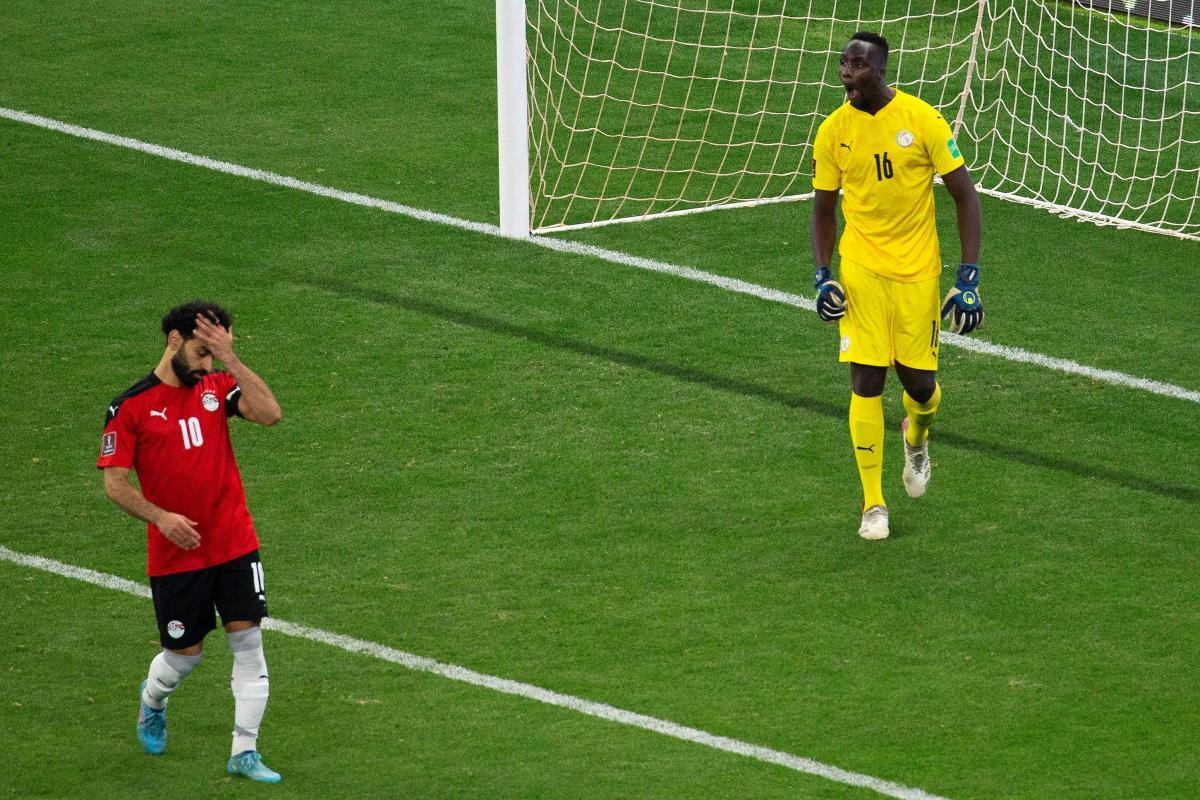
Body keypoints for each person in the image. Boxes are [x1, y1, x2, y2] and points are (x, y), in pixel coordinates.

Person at [97, 300, 284, 781]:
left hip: (235, 541)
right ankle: (153, 699)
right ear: (174, 341)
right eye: (203, 352)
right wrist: (160, 517)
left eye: (215, 354)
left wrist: (232, 361)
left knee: (248, 642)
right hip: (177, 555)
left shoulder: (217, 387)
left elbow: (270, 415)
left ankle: (245, 752)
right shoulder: (131, 406)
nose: (208, 364)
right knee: (185, 656)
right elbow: (115, 482)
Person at [809, 32, 984, 540]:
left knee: (920, 388)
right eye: (843, 62)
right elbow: (823, 208)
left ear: (880, 71)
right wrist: (824, 276)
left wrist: (967, 277)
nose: (846, 71)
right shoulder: (833, 130)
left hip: (916, 275)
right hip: (861, 269)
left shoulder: (922, 120)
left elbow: (965, 198)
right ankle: (873, 504)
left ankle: (918, 438)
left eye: (858, 65)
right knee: (866, 380)